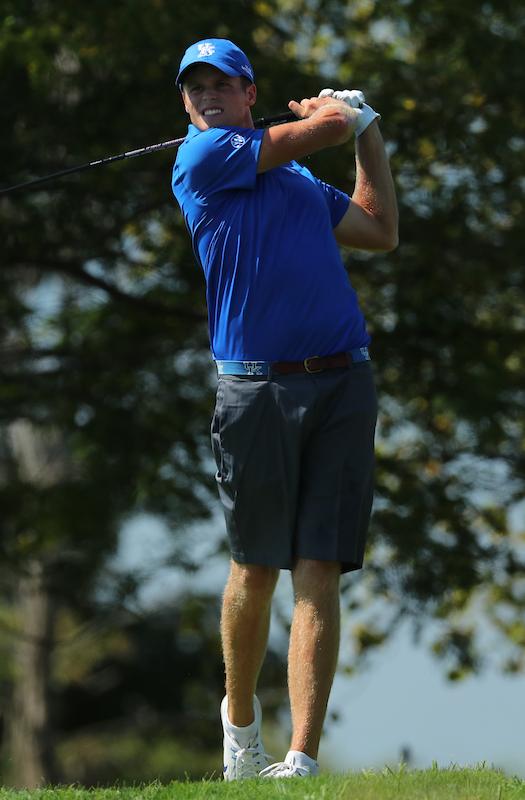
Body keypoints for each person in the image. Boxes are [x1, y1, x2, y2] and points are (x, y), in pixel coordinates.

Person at [170, 39, 398, 780]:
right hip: (257, 389)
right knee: (255, 567)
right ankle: (241, 731)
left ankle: (301, 759)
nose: (206, 96)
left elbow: (378, 229)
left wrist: (369, 134)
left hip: (342, 382)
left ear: (248, 92)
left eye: (220, 85)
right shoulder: (202, 161)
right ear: (186, 102)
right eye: (193, 87)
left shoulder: (295, 179)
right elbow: (324, 128)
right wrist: (343, 115)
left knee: (318, 568)